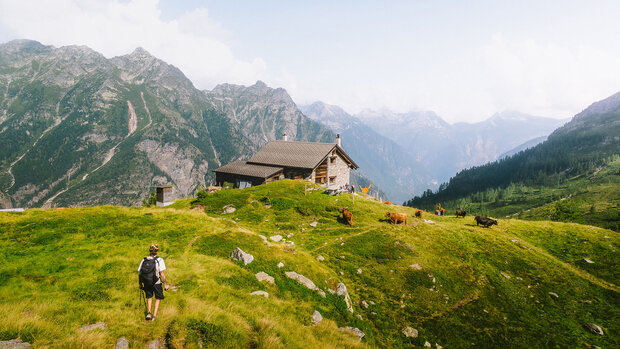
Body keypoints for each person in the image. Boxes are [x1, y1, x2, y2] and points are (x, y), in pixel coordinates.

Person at [138, 244, 170, 321]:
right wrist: (165, 284)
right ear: (156, 251)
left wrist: (140, 283)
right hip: (157, 282)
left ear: (150, 251)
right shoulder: (159, 260)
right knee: (158, 298)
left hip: (146, 282)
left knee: (149, 297)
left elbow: (140, 273)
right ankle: (154, 315)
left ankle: (149, 313)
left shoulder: (144, 259)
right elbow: (162, 274)